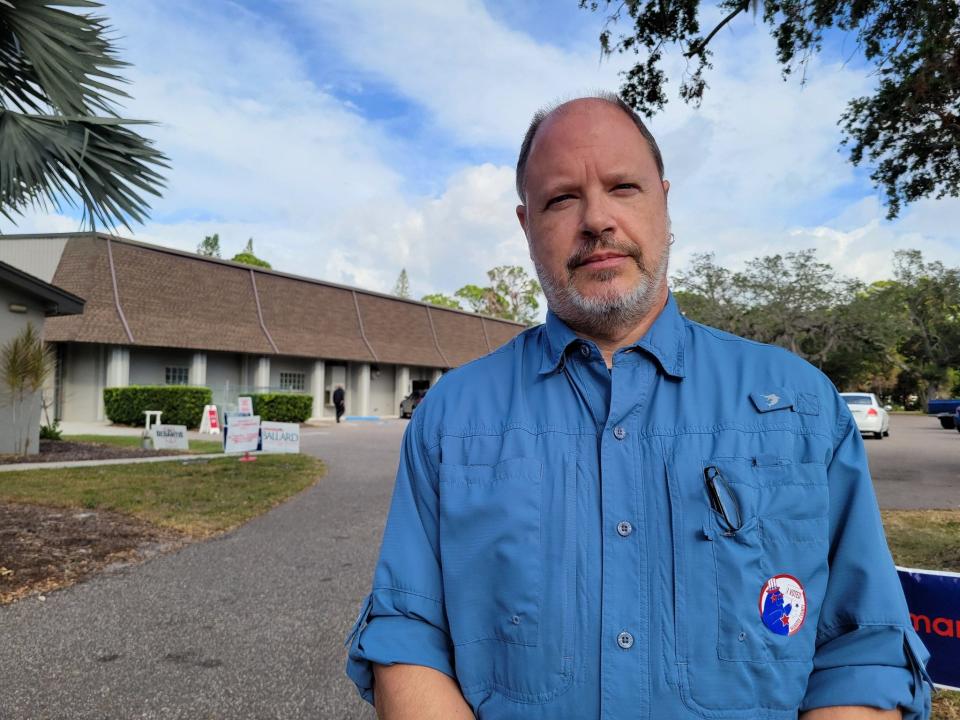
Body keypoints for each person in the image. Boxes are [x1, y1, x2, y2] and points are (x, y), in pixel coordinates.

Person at [345, 94, 932, 719]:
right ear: (526, 225)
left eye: (623, 187)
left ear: (664, 202)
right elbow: (408, 632)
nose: (596, 218)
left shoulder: (803, 407)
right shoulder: (452, 420)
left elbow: (862, 649)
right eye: (561, 198)